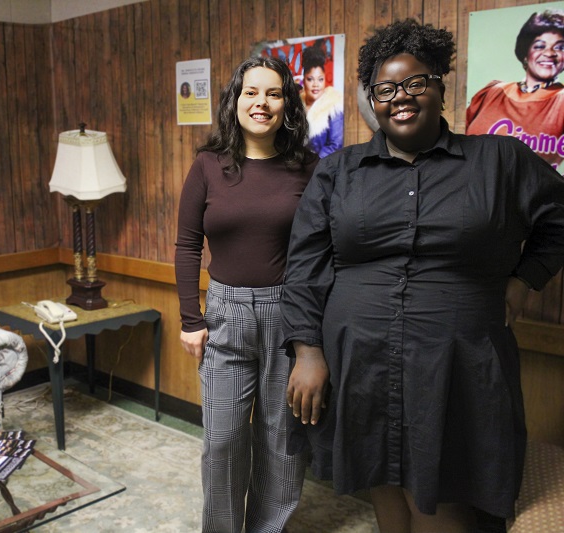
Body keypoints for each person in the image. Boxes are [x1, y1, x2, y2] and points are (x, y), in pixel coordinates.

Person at [280, 18, 564, 533]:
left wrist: (526, 280)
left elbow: (560, 218)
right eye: (385, 89)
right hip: (358, 357)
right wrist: (307, 350)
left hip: (461, 363)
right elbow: (305, 264)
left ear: (439, 84)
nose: (401, 98)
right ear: (372, 98)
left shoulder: (499, 161)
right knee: (382, 479)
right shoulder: (338, 171)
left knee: (444, 496)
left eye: (415, 83)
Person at [175, 56, 318, 532]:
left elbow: (323, 251)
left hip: (287, 316)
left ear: (287, 104)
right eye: (251, 92)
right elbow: (187, 244)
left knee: (282, 439)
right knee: (221, 442)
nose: (261, 102)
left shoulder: (309, 168)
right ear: (235, 101)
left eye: (273, 93)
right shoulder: (208, 166)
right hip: (224, 313)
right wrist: (191, 319)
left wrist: (313, 337)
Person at [466, 9, 564, 170]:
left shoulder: (560, 101)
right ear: (526, 52)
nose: (549, 53)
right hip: (478, 190)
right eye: (540, 46)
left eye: (560, 47)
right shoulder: (492, 92)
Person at [300, 42, 344, 157]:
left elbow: (335, 145)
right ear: (304, 80)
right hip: (296, 167)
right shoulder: (297, 104)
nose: (316, 85)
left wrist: (312, 165)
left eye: (320, 79)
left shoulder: (334, 104)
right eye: (310, 79)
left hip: (322, 168)